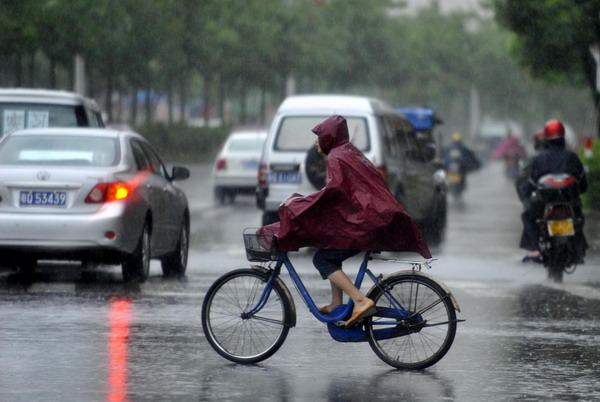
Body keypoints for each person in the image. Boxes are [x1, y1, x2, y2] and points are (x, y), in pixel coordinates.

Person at [260, 115, 431, 329]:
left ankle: (360, 300)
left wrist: (300, 205)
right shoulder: (347, 152)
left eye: (319, 136)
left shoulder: (336, 157)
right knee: (328, 248)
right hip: (371, 219)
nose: (316, 142)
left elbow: (334, 192)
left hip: (364, 224)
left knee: (322, 260)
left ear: (329, 137)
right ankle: (336, 303)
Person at [519, 119, 588, 263]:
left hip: (545, 202)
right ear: (563, 137)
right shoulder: (572, 157)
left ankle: (535, 250)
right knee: (579, 217)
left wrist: (525, 192)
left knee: (528, 216)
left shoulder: (540, 159)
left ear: (546, 139)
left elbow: (530, 184)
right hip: (569, 202)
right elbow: (583, 184)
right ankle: (578, 248)